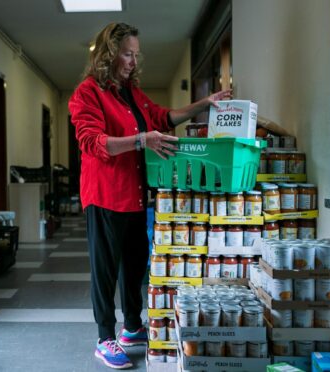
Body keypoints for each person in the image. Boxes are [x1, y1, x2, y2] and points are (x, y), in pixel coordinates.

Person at [68, 22, 232, 369]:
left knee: (134, 265)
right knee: (105, 270)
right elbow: (92, 142)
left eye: (135, 54)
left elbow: (161, 117)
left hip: (135, 196)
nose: (132, 61)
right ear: (110, 54)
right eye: (127, 53)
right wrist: (142, 140)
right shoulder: (87, 93)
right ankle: (104, 339)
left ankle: (131, 327)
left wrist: (204, 102)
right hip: (104, 195)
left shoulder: (130, 93)